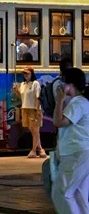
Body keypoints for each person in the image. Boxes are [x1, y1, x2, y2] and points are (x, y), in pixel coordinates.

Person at [52, 67, 89, 213]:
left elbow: (59, 122)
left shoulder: (78, 104)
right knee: (78, 193)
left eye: (63, 83)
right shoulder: (82, 103)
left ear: (71, 86)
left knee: (61, 192)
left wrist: (59, 101)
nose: (61, 86)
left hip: (76, 153)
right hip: (81, 152)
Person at [13, 66, 46, 158]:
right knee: (32, 130)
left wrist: (37, 110)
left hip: (33, 109)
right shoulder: (23, 84)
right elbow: (23, 97)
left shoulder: (35, 83)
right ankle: (41, 149)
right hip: (25, 109)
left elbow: (38, 97)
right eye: (24, 73)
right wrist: (17, 90)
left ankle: (33, 151)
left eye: (27, 73)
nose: (25, 75)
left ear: (32, 74)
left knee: (35, 130)